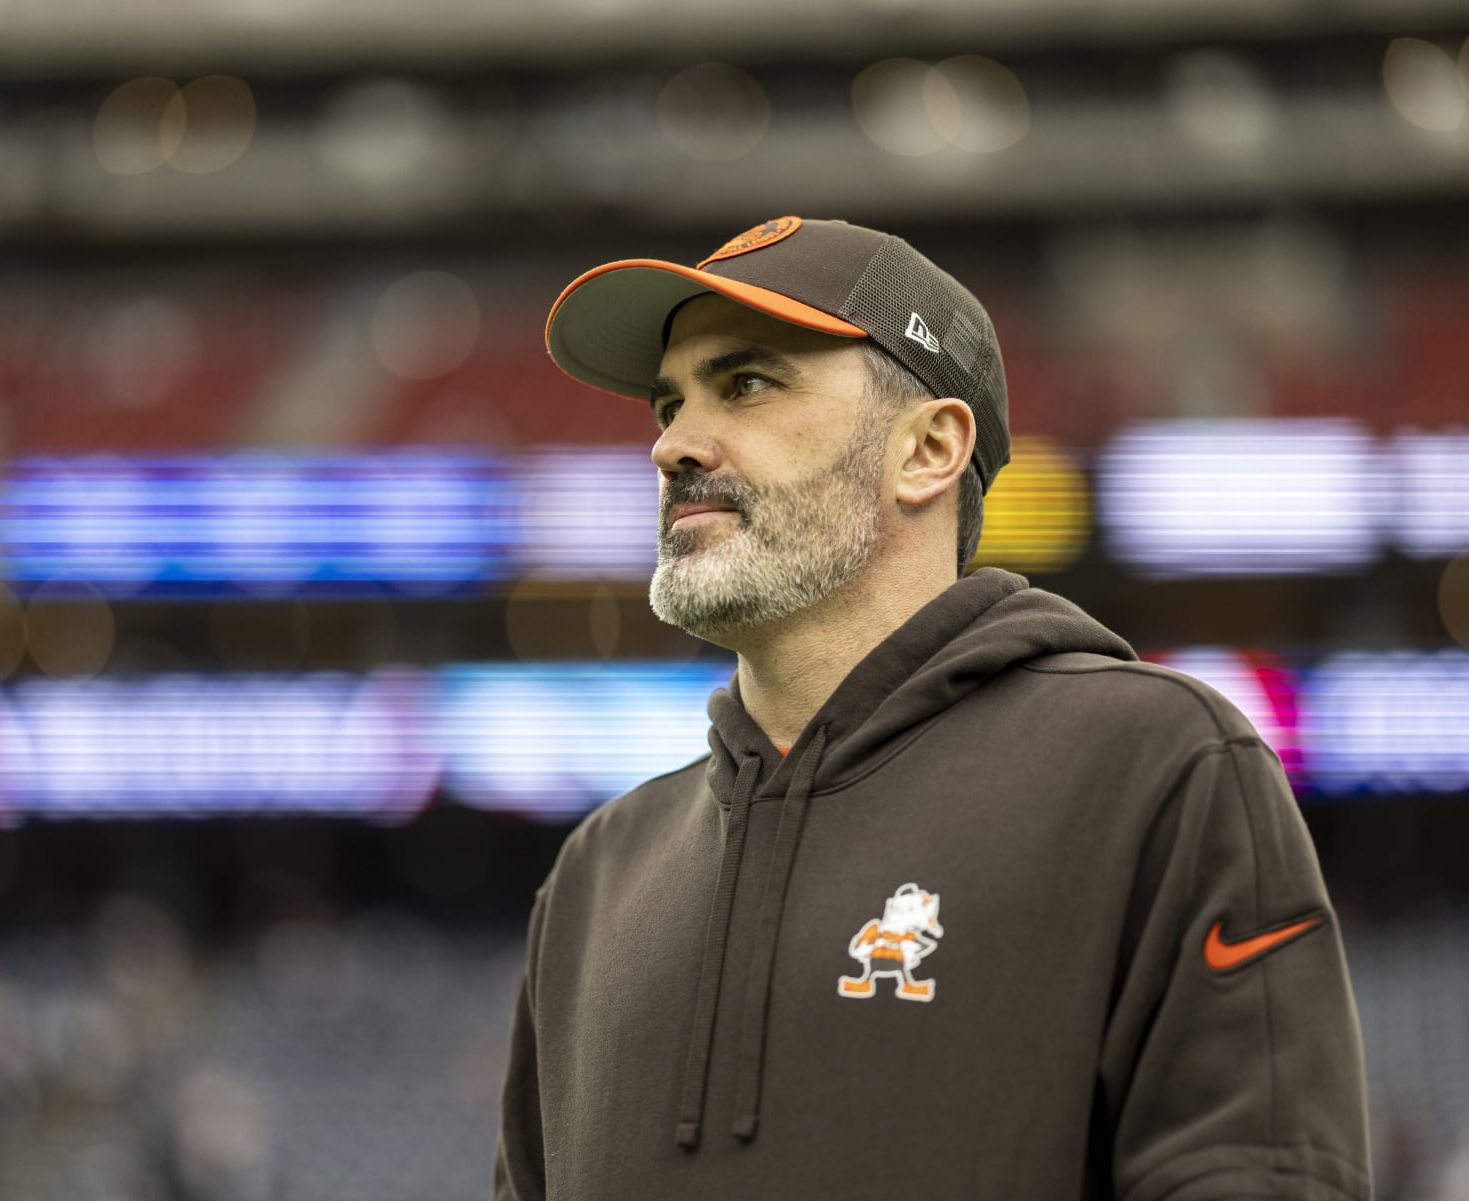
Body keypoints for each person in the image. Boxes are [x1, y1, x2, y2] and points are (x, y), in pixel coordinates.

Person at [494, 216, 1371, 1200]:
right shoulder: (598, 872)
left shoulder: (1154, 765)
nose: (672, 445)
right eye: (668, 403)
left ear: (927, 449)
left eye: (745, 383)